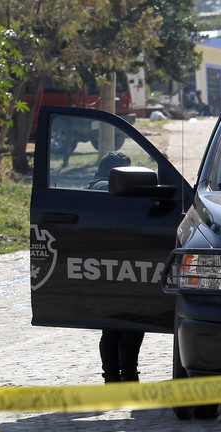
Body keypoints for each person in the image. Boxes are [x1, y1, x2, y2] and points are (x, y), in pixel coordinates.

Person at [89, 151, 145, 382]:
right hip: (117, 263)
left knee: (112, 326)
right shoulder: (104, 189)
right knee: (131, 321)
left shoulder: (95, 187)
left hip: (109, 263)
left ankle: (113, 377)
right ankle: (126, 375)